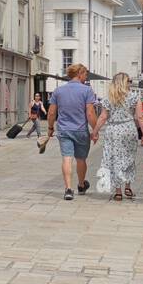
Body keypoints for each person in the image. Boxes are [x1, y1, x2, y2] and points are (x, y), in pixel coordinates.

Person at [43, 64, 101, 201]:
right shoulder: (87, 90)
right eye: (85, 74)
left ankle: (68, 189)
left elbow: (51, 113)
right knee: (81, 159)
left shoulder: (58, 91)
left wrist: (50, 128)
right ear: (79, 74)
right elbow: (90, 113)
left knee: (67, 158)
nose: (86, 77)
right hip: (81, 130)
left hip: (63, 130)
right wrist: (95, 130)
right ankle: (81, 185)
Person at [94, 73, 143, 200]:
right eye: (129, 81)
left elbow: (103, 117)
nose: (130, 83)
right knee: (129, 158)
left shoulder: (108, 98)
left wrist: (95, 131)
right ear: (124, 83)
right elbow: (140, 117)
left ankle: (118, 191)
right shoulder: (134, 97)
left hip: (113, 130)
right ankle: (127, 187)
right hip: (129, 129)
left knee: (114, 159)